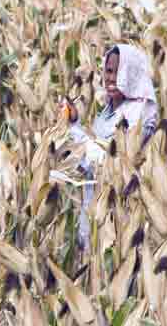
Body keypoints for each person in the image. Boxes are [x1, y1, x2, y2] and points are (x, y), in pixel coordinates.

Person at [62, 44, 159, 250]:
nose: (111, 77)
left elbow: (115, 160)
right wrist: (73, 123)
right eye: (107, 71)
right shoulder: (106, 111)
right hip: (95, 203)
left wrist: (75, 133)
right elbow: (94, 152)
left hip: (120, 209)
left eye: (118, 71)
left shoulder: (141, 112)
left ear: (131, 73)